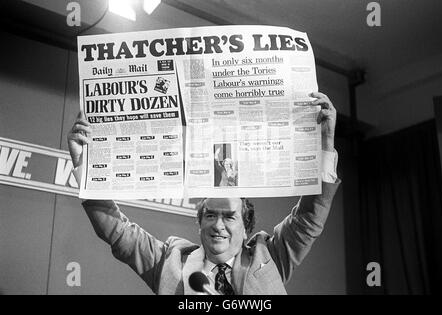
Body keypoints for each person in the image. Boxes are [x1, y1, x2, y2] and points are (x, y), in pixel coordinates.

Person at [67, 92, 340, 295]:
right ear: (199, 222)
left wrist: (326, 143)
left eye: (229, 217)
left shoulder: (270, 257)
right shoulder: (169, 262)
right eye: (210, 215)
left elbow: (308, 220)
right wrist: (85, 167)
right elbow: (119, 234)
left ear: (246, 228)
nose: (218, 225)